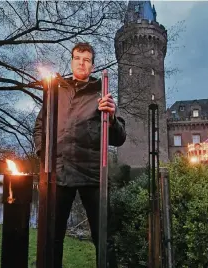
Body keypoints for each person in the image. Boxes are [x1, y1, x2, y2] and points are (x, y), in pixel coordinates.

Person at [33, 42, 126, 267]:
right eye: (77, 58)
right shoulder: (57, 90)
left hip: (93, 174)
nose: (81, 63)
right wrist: (43, 154)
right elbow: (40, 126)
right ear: (72, 61)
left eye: (86, 59)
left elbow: (119, 138)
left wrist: (111, 118)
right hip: (58, 172)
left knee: (103, 236)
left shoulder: (101, 93)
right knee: (51, 237)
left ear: (92, 65)